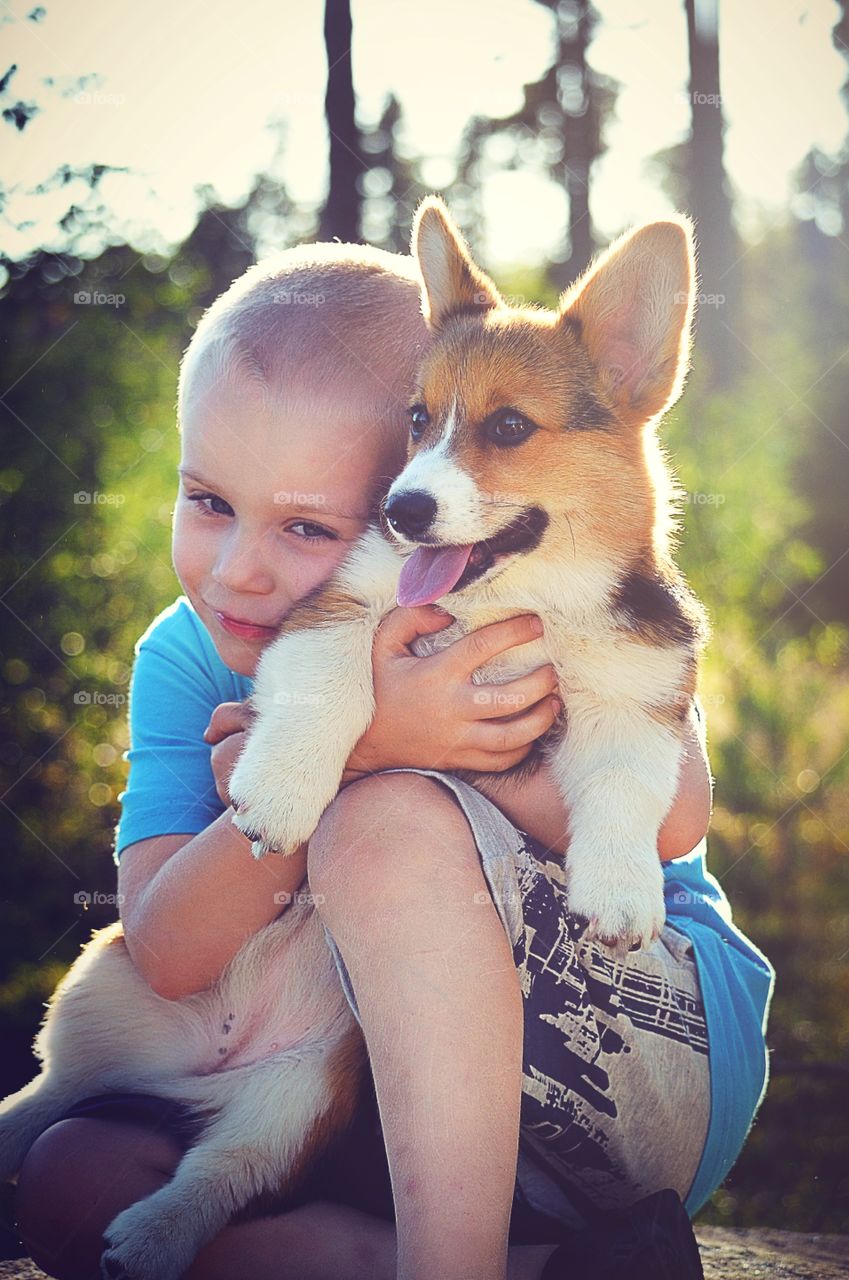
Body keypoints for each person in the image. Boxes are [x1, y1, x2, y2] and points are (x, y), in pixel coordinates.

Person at [14, 239, 774, 1280]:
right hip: (360, 1067)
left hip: (635, 1044)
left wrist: (378, 754)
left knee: (384, 824)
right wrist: (350, 743)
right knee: (75, 1186)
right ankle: (547, 1267)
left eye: (314, 522)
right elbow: (169, 952)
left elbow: (672, 813)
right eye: (207, 500)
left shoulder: (543, 586)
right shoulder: (191, 652)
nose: (241, 569)